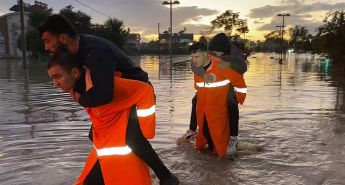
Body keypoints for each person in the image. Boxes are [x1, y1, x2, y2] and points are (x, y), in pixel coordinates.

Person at [40, 14, 178, 185]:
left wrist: (80, 99)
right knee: (95, 135)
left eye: (47, 41)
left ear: (62, 38)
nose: (46, 47)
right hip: (116, 98)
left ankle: (167, 178)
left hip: (134, 96)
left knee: (133, 139)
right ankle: (104, 174)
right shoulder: (75, 51)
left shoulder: (95, 51)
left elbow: (104, 95)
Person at [179, 33, 247, 156]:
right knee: (196, 100)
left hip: (229, 83)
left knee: (231, 104)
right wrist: (203, 73)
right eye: (214, 52)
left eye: (220, 53)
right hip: (210, 84)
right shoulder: (206, 51)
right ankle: (192, 130)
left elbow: (243, 68)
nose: (217, 55)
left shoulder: (234, 52)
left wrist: (223, 62)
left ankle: (233, 138)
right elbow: (194, 63)